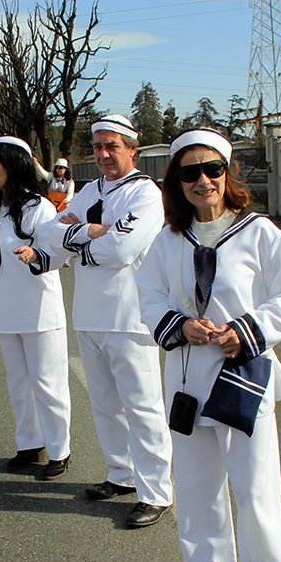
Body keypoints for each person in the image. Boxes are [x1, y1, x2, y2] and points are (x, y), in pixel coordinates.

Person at [136, 128, 281, 562]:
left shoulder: (258, 232)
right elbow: (146, 296)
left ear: (227, 174)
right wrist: (179, 325)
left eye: (212, 169)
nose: (203, 180)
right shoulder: (167, 240)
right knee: (195, 485)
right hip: (187, 378)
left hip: (242, 380)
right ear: (176, 181)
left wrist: (248, 331)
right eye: (190, 172)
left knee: (255, 491)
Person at [46, 114, 173, 528]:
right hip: (89, 312)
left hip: (130, 315)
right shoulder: (87, 191)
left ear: (131, 149)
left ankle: (156, 491)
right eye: (97, 146)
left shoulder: (145, 194)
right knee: (104, 403)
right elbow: (50, 235)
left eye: (111, 146)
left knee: (142, 406)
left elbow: (122, 249)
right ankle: (122, 475)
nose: (102, 154)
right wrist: (95, 231)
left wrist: (79, 236)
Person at [0, 136, 72, 479]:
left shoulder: (40, 207)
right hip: (7, 312)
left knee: (47, 381)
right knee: (18, 382)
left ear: (13, 165)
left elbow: (61, 252)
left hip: (39, 309)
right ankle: (30, 442)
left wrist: (36, 256)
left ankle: (59, 449)